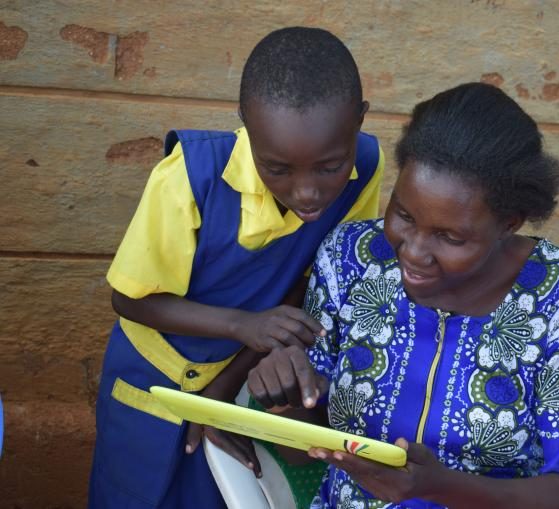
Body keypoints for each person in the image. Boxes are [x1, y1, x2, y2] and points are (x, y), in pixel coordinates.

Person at [248, 82, 559, 508]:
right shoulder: (350, 259)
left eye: (449, 236)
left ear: (509, 223)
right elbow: (302, 451)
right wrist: (285, 397)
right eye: (404, 214)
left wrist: (439, 486)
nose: (414, 251)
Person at [88, 27, 384, 509]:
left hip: (244, 379)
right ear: (245, 122)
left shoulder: (365, 167)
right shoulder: (192, 174)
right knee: (131, 492)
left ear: (360, 122)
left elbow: (309, 293)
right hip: (150, 378)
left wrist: (224, 393)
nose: (307, 193)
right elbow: (129, 298)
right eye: (278, 169)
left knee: (218, 491)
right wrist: (242, 324)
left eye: (329, 167)